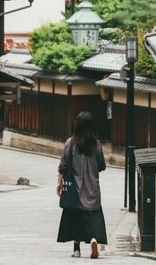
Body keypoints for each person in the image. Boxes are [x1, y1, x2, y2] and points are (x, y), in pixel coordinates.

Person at [57, 111, 107, 259]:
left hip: (75, 188)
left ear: (76, 126)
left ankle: (77, 249)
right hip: (92, 187)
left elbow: (63, 165)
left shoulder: (70, 143)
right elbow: (101, 165)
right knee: (92, 215)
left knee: (75, 217)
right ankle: (93, 239)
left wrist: (59, 182)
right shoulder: (96, 145)